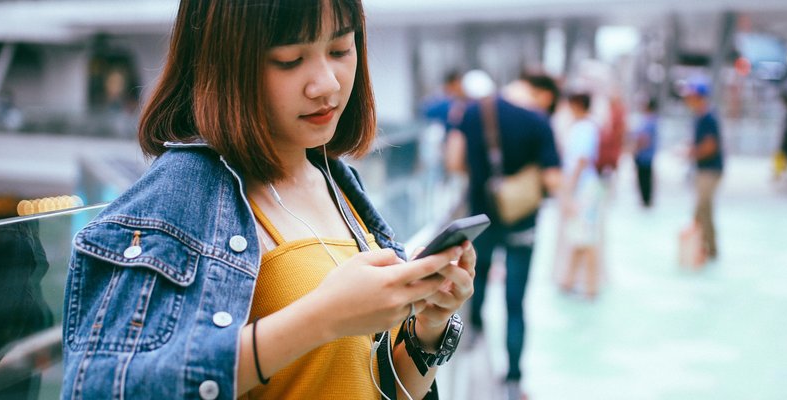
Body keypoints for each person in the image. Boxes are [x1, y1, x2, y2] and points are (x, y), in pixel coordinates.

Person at [61, 2, 478, 399]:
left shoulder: (334, 180)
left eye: (340, 49)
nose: (327, 83)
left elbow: (374, 385)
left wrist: (429, 325)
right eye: (290, 59)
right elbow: (103, 388)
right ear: (224, 64)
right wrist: (322, 318)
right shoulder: (175, 199)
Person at [444, 72, 562, 399]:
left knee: (475, 284)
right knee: (515, 303)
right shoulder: (539, 122)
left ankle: (474, 340)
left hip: (481, 220)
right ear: (543, 94)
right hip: (522, 223)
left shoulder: (473, 112)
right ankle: (512, 380)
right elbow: (553, 180)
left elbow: (453, 161)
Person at [558, 93, 602, 299]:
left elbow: (582, 160)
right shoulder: (584, 127)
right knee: (578, 234)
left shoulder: (585, 128)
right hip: (583, 186)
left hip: (583, 188)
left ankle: (591, 286)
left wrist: (570, 188)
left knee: (586, 237)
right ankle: (569, 280)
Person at [683, 80, 724, 262]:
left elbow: (710, 146)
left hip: (710, 170)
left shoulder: (708, 117)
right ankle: (704, 247)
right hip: (704, 170)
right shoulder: (700, 117)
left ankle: (708, 249)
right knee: (703, 210)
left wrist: (692, 153)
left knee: (702, 208)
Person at [632, 98, 658, 207]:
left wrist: (635, 148)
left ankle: (646, 200)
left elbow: (644, 139)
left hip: (644, 156)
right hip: (646, 155)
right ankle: (646, 199)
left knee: (644, 179)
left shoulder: (649, 121)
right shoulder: (651, 120)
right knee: (646, 178)